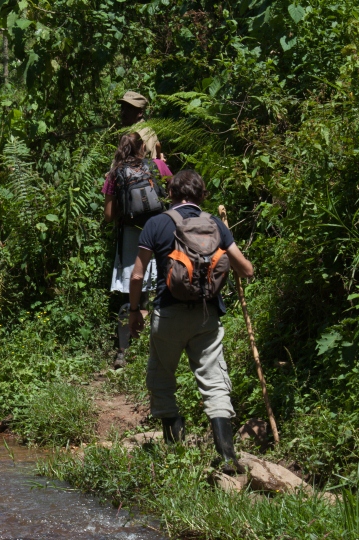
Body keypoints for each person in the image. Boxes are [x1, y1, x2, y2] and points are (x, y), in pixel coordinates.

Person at [127, 169, 254, 472]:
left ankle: (175, 450)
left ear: (170, 194)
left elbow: (137, 274)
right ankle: (226, 456)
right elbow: (246, 270)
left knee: (161, 378)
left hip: (168, 315)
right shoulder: (215, 225)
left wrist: (134, 310)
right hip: (206, 316)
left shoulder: (156, 224)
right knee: (214, 382)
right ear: (201, 195)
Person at [103, 91, 171, 369]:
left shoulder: (117, 170)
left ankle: (123, 350)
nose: (123, 111)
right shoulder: (157, 164)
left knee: (129, 289)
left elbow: (109, 213)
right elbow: (171, 191)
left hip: (130, 231)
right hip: (158, 228)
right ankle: (157, 349)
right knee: (157, 290)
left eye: (127, 108)